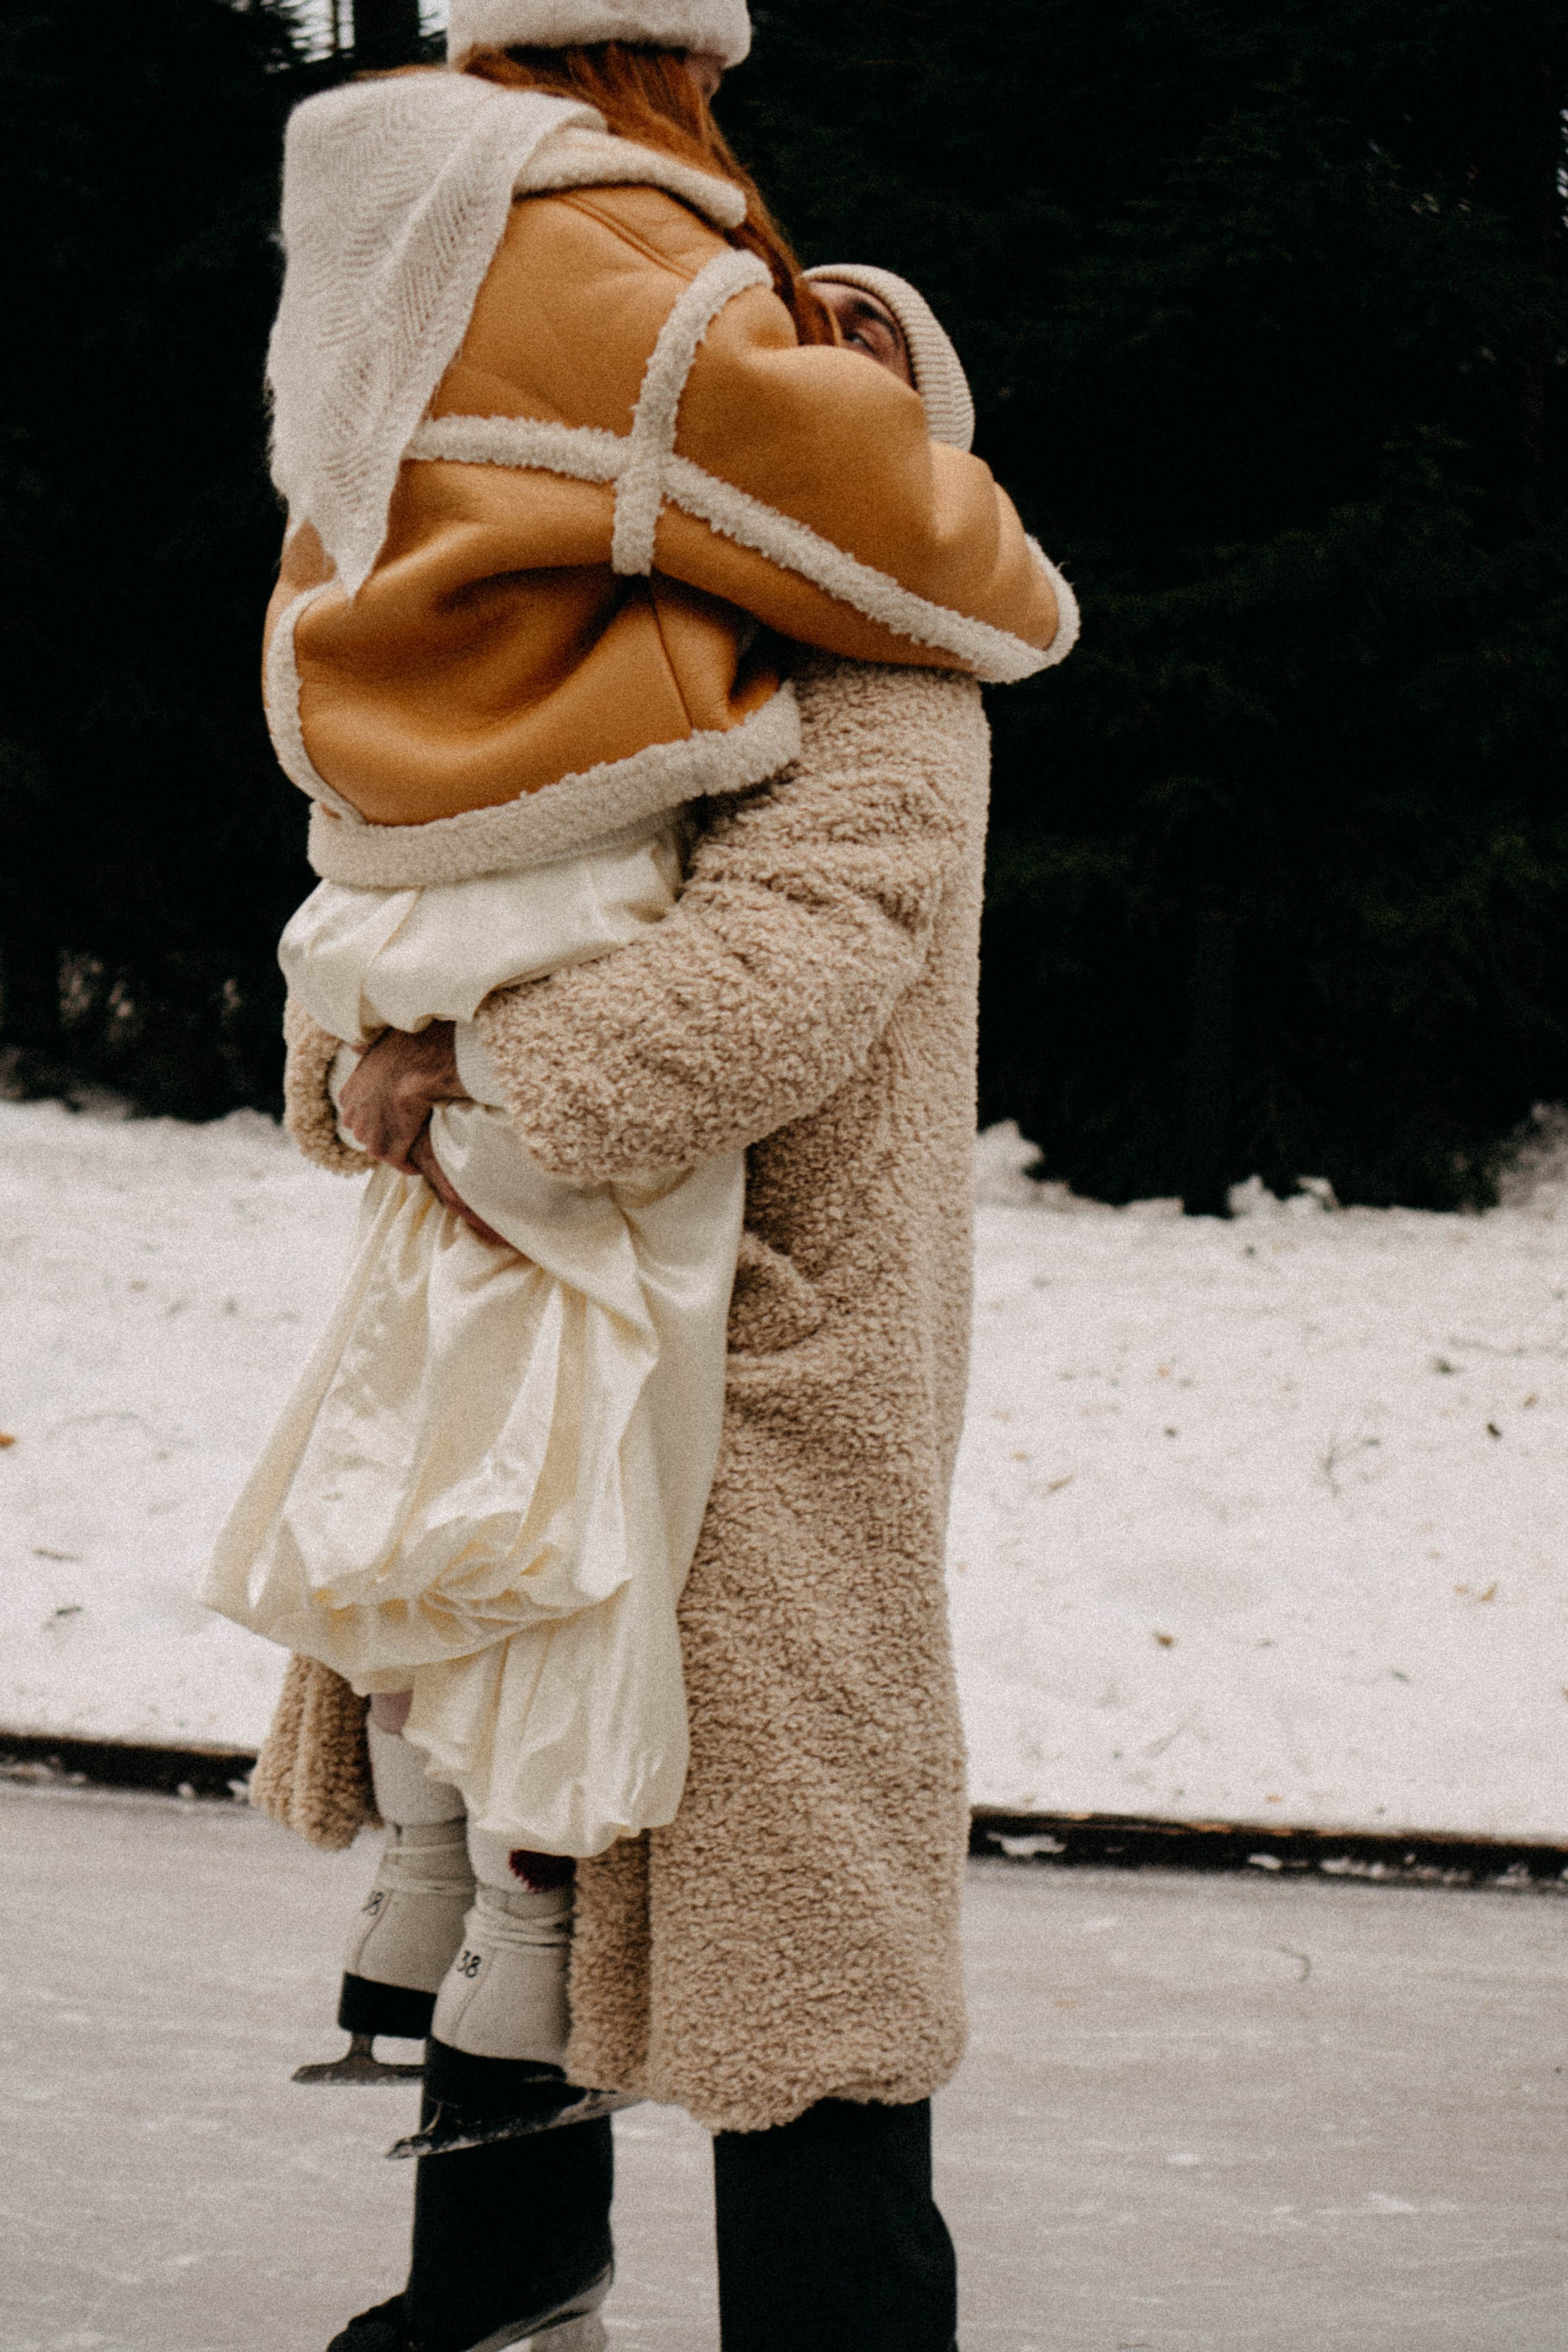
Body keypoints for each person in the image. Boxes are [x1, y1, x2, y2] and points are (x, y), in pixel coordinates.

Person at [233, 4, 1077, 2347]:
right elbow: (370, 917)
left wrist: (471, 1078)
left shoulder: (892, 685)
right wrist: (370, 1062)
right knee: (519, 1823)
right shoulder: (566, 664)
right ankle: (503, 2291)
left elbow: (807, 951)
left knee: (798, 1922)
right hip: (525, 1340)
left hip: (776, 1364)